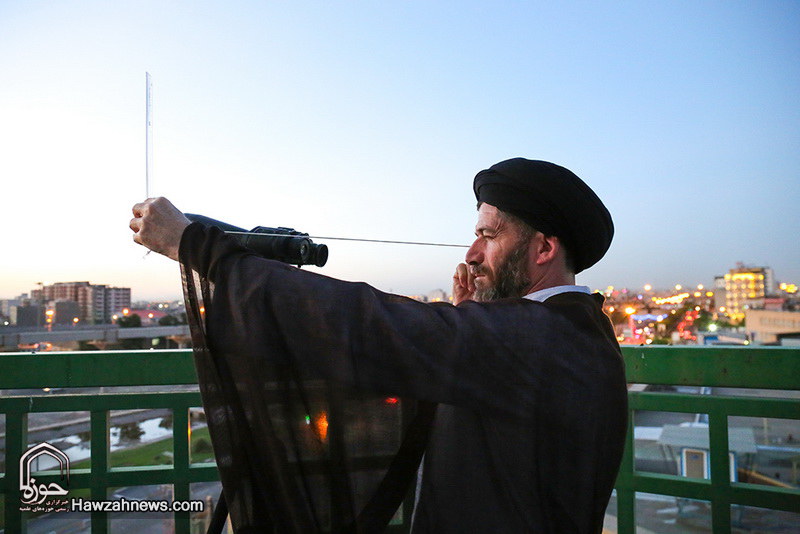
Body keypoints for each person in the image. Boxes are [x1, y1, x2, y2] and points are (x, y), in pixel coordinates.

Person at [130, 158, 627, 533]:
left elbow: (366, 324)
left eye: (489, 236)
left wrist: (196, 247)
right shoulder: (568, 331)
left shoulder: (539, 339)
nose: (472, 253)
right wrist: (469, 321)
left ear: (544, 248)